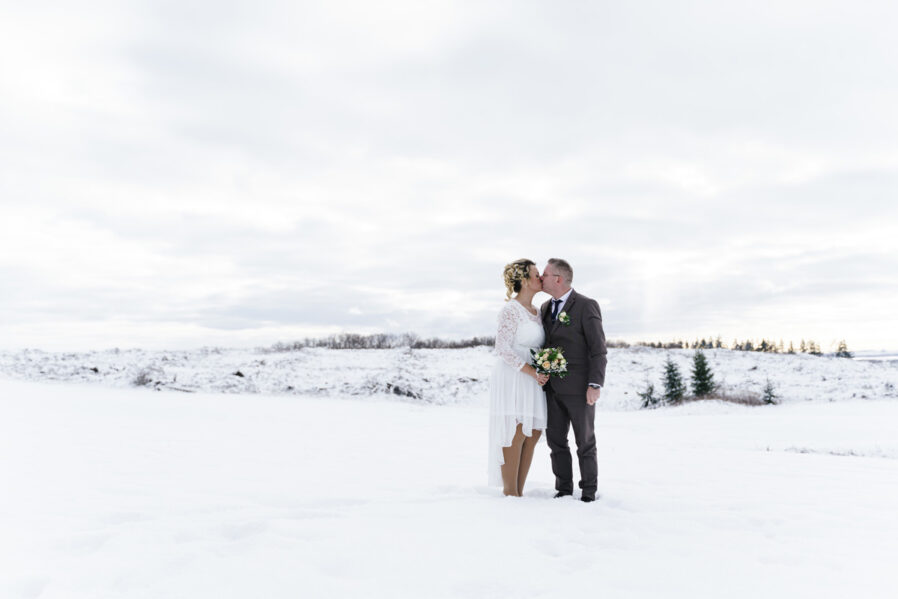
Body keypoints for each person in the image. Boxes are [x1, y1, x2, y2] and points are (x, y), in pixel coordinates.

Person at [539, 258, 607, 502]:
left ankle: (588, 492)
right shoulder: (544, 308)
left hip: (579, 388)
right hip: (551, 388)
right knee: (555, 441)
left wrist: (595, 384)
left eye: (545, 274)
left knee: (585, 441)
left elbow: (598, 349)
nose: (540, 278)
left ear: (558, 278)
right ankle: (563, 489)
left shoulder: (586, 305)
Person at [488, 259, 550, 496]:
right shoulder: (510, 310)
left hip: (534, 377)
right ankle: (510, 492)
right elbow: (502, 348)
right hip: (514, 375)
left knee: (533, 433)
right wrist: (531, 371)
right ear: (524, 281)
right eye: (536, 274)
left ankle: (518, 492)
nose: (540, 278)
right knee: (516, 431)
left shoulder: (537, 312)